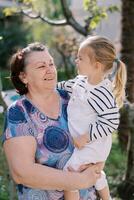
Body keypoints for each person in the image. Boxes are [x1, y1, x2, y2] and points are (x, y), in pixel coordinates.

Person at [2, 42, 103, 200]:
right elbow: (22, 172)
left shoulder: (72, 98)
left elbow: (98, 134)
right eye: (41, 66)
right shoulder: (19, 112)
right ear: (24, 76)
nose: (50, 70)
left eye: (51, 63)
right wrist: (79, 181)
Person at [57, 36, 127, 200]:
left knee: (69, 175)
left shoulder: (102, 92)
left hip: (93, 143)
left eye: (80, 58)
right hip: (87, 143)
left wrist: (86, 137)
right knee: (94, 172)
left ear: (96, 66)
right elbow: (67, 85)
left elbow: (110, 121)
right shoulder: (81, 81)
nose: (76, 61)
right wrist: (51, 87)